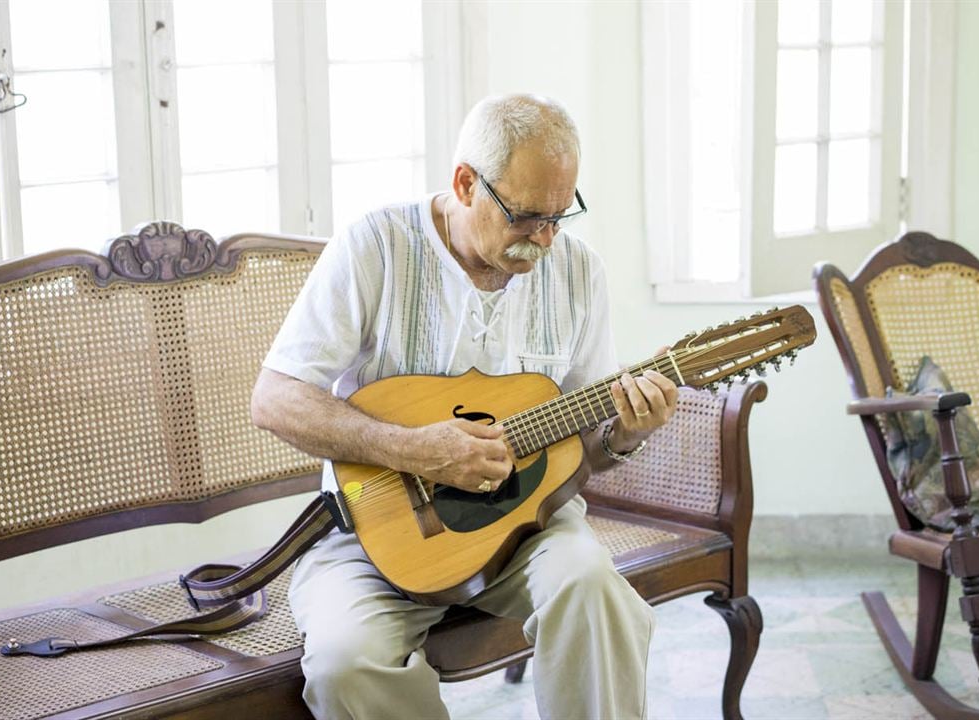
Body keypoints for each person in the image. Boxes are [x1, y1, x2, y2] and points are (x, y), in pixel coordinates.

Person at [250, 93, 679, 719]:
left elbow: (581, 451)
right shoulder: (377, 247)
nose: (546, 239)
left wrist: (622, 437)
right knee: (346, 661)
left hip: (527, 534)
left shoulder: (578, 272)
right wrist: (412, 449)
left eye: (562, 215)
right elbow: (274, 399)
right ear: (465, 183)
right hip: (377, 533)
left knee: (596, 593)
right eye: (528, 216)